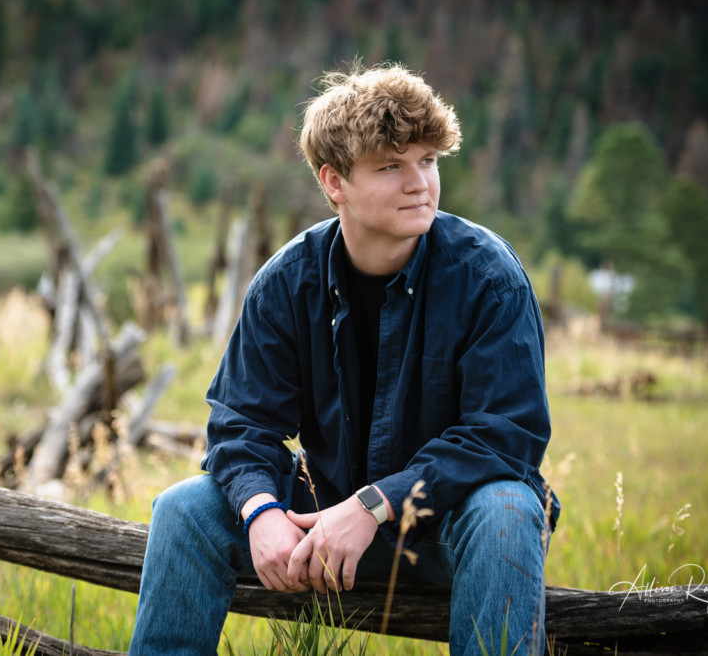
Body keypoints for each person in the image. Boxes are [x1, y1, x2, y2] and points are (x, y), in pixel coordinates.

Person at [129, 63, 559, 656]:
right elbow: (240, 423)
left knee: (509, 505)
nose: (421, 184)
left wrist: (375, 505)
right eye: (391, 166)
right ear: (335, 182)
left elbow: (506, 435)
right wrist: (262, 514)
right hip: (321, 515)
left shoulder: (488, 278)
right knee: (184, 509)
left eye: (429, 161)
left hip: (448, 525)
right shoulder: (287, 282)